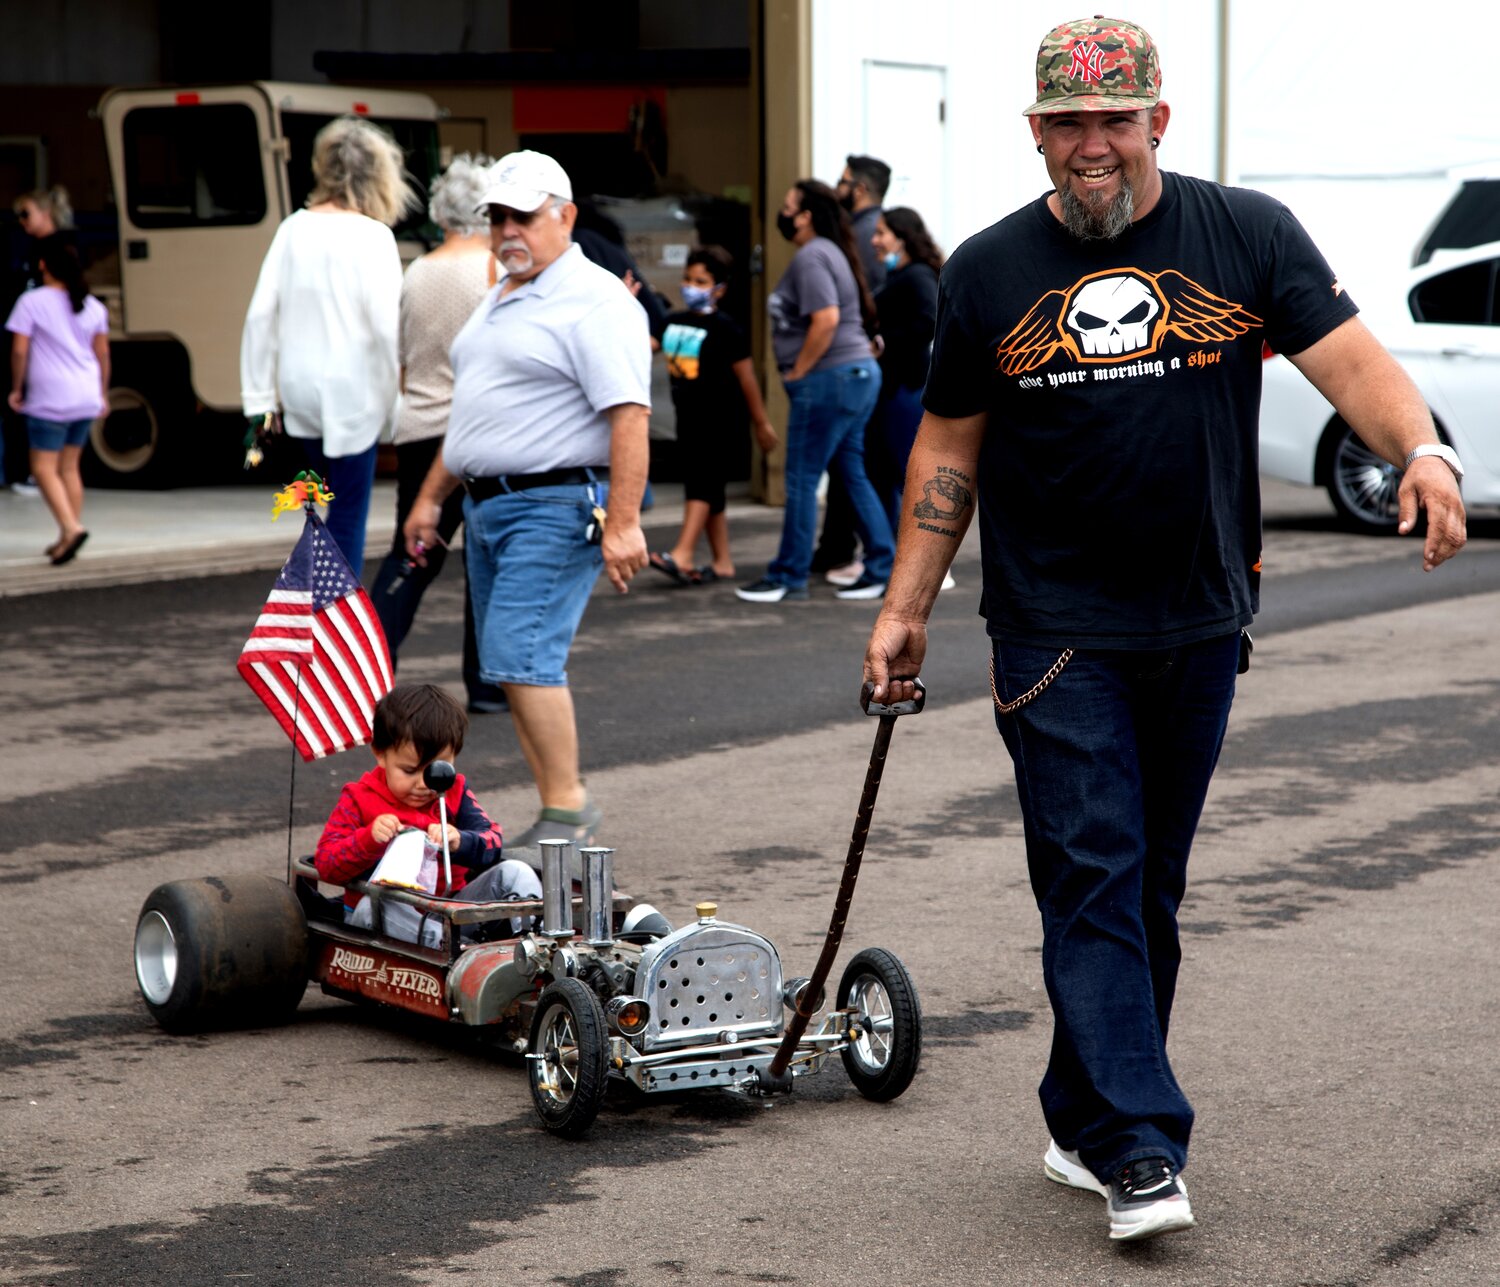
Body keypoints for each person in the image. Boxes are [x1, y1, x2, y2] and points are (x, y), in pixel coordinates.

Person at [861, 14, 1466, 1245]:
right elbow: (948, 447)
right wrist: (904, 607)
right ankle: (1141, 1145)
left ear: (1158, 123)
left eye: (1115, 121)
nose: (1094, 146)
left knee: (1146, 890)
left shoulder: (1243, 234)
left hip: (1199, 623)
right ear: (1034, 134)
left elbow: (1349, 362)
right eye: (1069, 124)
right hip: (1053, 632)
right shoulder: (984, 270)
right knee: (1094, 872)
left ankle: (1080, 1115)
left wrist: (1427, 450)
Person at [401, 150, 651, 853]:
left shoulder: (595, 299)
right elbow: (474, 417)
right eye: (498, 216)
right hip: (490, 505)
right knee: (508, 664)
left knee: (520, 655)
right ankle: (559, 806)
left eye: (524, 215)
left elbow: (629, 415)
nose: (508, 228)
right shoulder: (502, 293)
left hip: (555, 502)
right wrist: (431, 500)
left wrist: (624, 523)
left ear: (564, 216)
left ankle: (568, 808)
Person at [240, 116, 420, 578]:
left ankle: (321, 608)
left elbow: (261, 316)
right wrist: (402, 401)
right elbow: (387, 329)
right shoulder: (373, 236)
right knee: (349, 512)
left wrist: (259, 399)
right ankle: (335, 619)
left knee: (323, 504)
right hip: (353, 390)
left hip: (300, 390)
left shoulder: (292, 229)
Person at [368, 155, 508, 715]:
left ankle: (369, 664)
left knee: (414, 551)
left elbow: (403, 359)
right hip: (481, 430)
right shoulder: (498, 271)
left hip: (421, 426)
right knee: (487, 555)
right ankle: (488, 682)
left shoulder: (417, 270)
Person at [736, 179, 892, 604]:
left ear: (805, 216)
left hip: (830, 378)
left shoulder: (812, 256)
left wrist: (797, 374)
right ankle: (882, 565)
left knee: (801, 479)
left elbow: (824, 320)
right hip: (853, 376)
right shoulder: (830, 252)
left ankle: (788, 575)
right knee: (851, 471)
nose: (783, 213)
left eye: (788, 205)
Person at [314, 683, 542, 949]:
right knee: (383, 905)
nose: (424, 783)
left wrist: (460, 841)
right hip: (383, 918)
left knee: (516, 871)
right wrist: (369, 839)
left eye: (435, 770)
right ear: (380, 754)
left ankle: (534, 947)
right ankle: (464, 952)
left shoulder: (454, 791)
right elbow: (326, 864)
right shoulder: (359, 797)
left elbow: (492, 840)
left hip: (452, 909)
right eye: (410, 770)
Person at [649, 245, 777, 586]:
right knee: (710, 490)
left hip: (719, 422)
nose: (691, 286)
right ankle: (723, 563)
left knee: (701, 487)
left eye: (701, 281)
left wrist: (761, 423)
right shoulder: (672, 322)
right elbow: (641, 344)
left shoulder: (727, 329)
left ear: (719, 288)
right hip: (687, 421)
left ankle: (683, 552)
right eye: (688, 279)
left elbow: (747, 379)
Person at [815, 153, 895, 586]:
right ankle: (845, 548)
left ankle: (864, 554)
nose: (838, 188)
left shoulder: (861, 236)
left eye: (843, 181)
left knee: (856, 463)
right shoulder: (872, 231)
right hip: (873, 365)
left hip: (860, 365)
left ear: (859, 189)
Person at [5, 235, 107, 565]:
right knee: (69, 467)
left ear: (43, 265)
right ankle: (66, 535)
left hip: (51, 397)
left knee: (43, 467)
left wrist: (16, 387)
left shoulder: (31, 302)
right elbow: (102, 353)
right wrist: (102, 392)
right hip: (86, 395)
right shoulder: (93, 305)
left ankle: (71, 527)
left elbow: (20, 350)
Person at [867, 207, 943, 551]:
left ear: (902, 236)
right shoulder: (900, 275)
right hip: (893, 388)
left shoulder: (916, 275)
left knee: (906, 476)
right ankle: (893, 554)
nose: (875, 240)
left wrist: (884, 341)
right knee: (885, 472)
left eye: (882, 232)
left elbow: (930, 320)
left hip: (905, 388)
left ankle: (924, 558)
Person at [5, 187, 78, 497]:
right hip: (33, 339)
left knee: (37, 410)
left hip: (45, 345)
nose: (21, 221)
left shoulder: (58, 252)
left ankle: (35, 474)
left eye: (26, 213)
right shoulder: (28, 248)